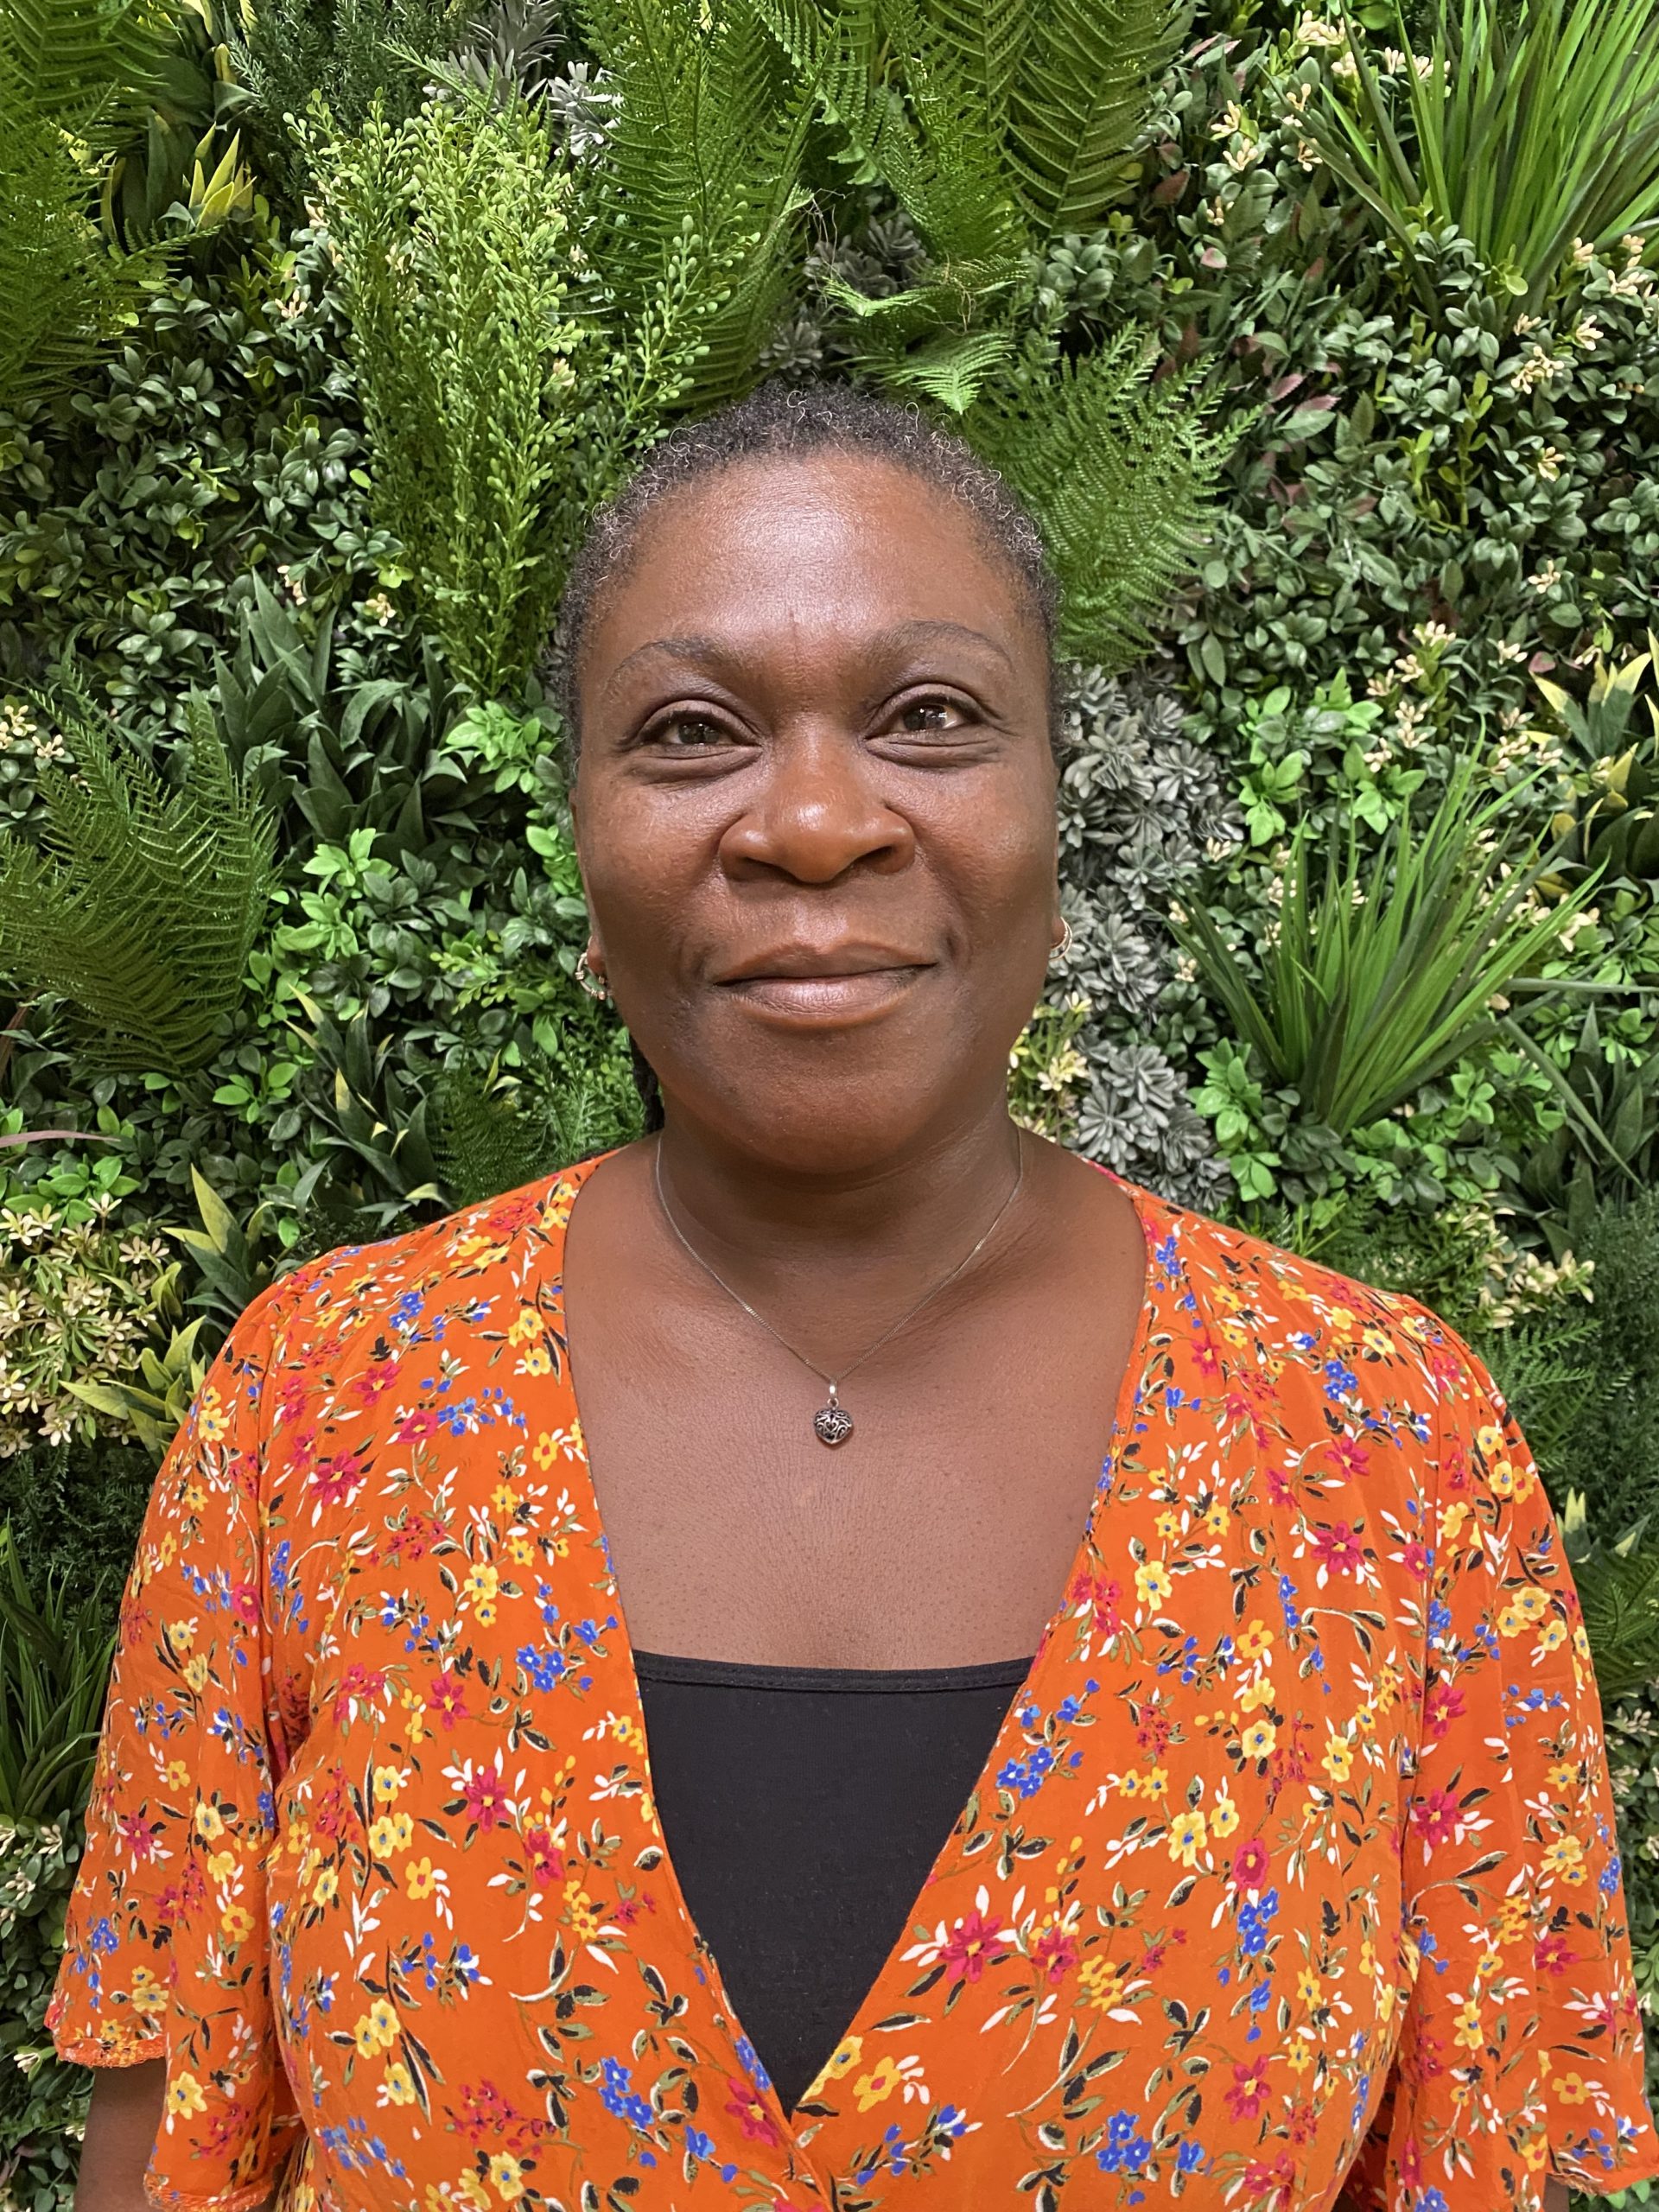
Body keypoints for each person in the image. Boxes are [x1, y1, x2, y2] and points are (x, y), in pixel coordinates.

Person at [52, 385, 1656, 2212]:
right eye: (689, 730)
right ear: (581, 853)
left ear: (1062, 819)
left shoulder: (1387, 1446)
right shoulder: (316, 1412)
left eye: (930, 716)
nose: (814, 820)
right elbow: (172, 2159)